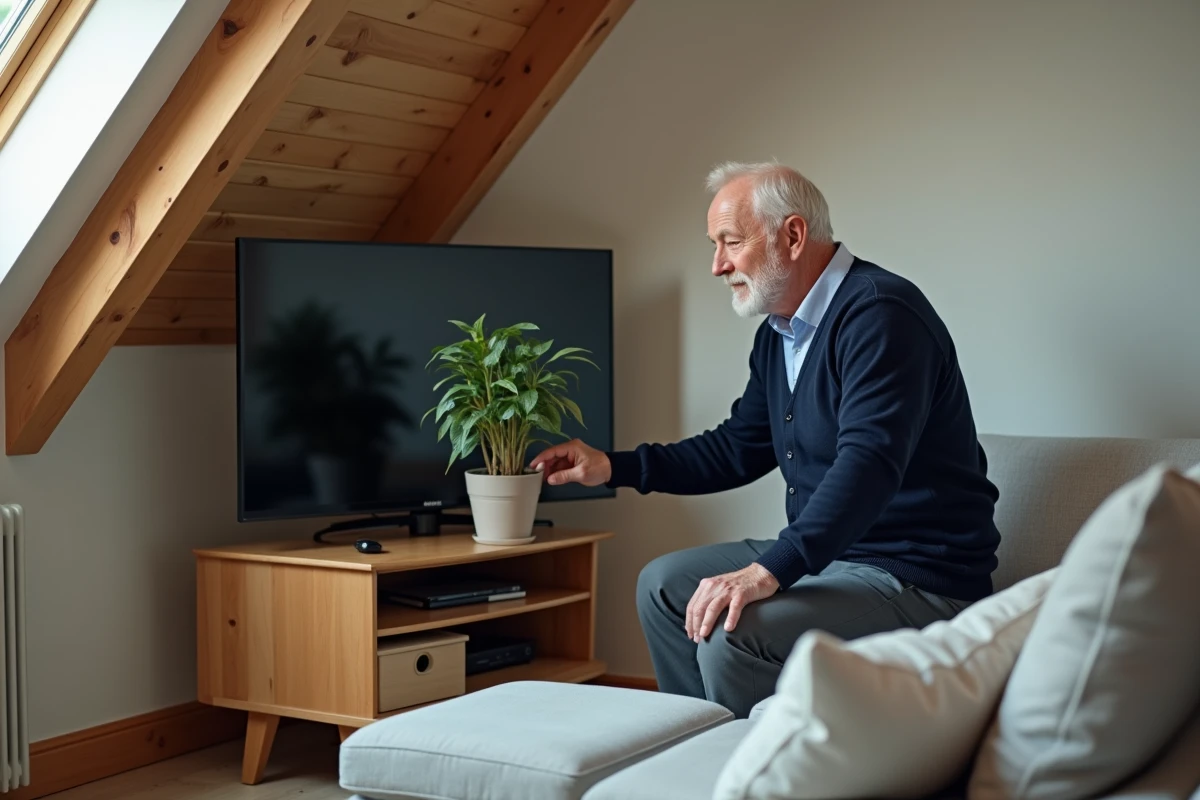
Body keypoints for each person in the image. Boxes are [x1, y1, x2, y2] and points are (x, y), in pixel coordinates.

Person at [529, 162, 1001, 719]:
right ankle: (697, 747)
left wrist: (768, 570)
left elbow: (868, 465)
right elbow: (737, 448)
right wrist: (612, 466)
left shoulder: (880, 314)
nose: (717, 264)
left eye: (731, 242)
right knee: (662, 587)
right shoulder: (779, 334)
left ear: (793, 236)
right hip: (835, 559)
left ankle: (753, 763)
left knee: (734, 630)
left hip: (915, 577)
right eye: (715, 245)